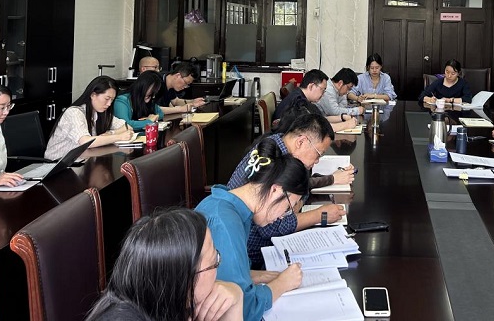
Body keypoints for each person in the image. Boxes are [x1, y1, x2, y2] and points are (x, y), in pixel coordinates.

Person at [196, 138, 307, 321]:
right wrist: (282, 284)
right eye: (288, 207)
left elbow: (224, 275)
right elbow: (243, 310)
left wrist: (257, 276)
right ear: (275, 190)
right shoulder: (225, 224)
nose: (283, 216)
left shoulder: (229, 205)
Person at [227, 111, 353, 268]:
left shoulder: (277, 142)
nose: (317, 161)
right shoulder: (274, 160)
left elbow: (301, 190)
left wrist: (294, 206)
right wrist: (318, 215)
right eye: (318, 154)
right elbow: (269, 228)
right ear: (301, 142)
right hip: (255, 256)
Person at [86, 208, 243, 321]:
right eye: (214, 262)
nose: (218, 272)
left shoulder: (163, 304)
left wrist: (237, 297)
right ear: (183, 279)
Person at [44, 76, 134, 160]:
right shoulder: (74, 113)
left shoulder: (100, 112)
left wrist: (110, 133)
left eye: (112, 100)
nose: (109, 104)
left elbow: (127, 127)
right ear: (93, 95)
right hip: (57, 164)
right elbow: (86, 142)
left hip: (81, 161)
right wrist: (118, 137)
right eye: (107, 99)